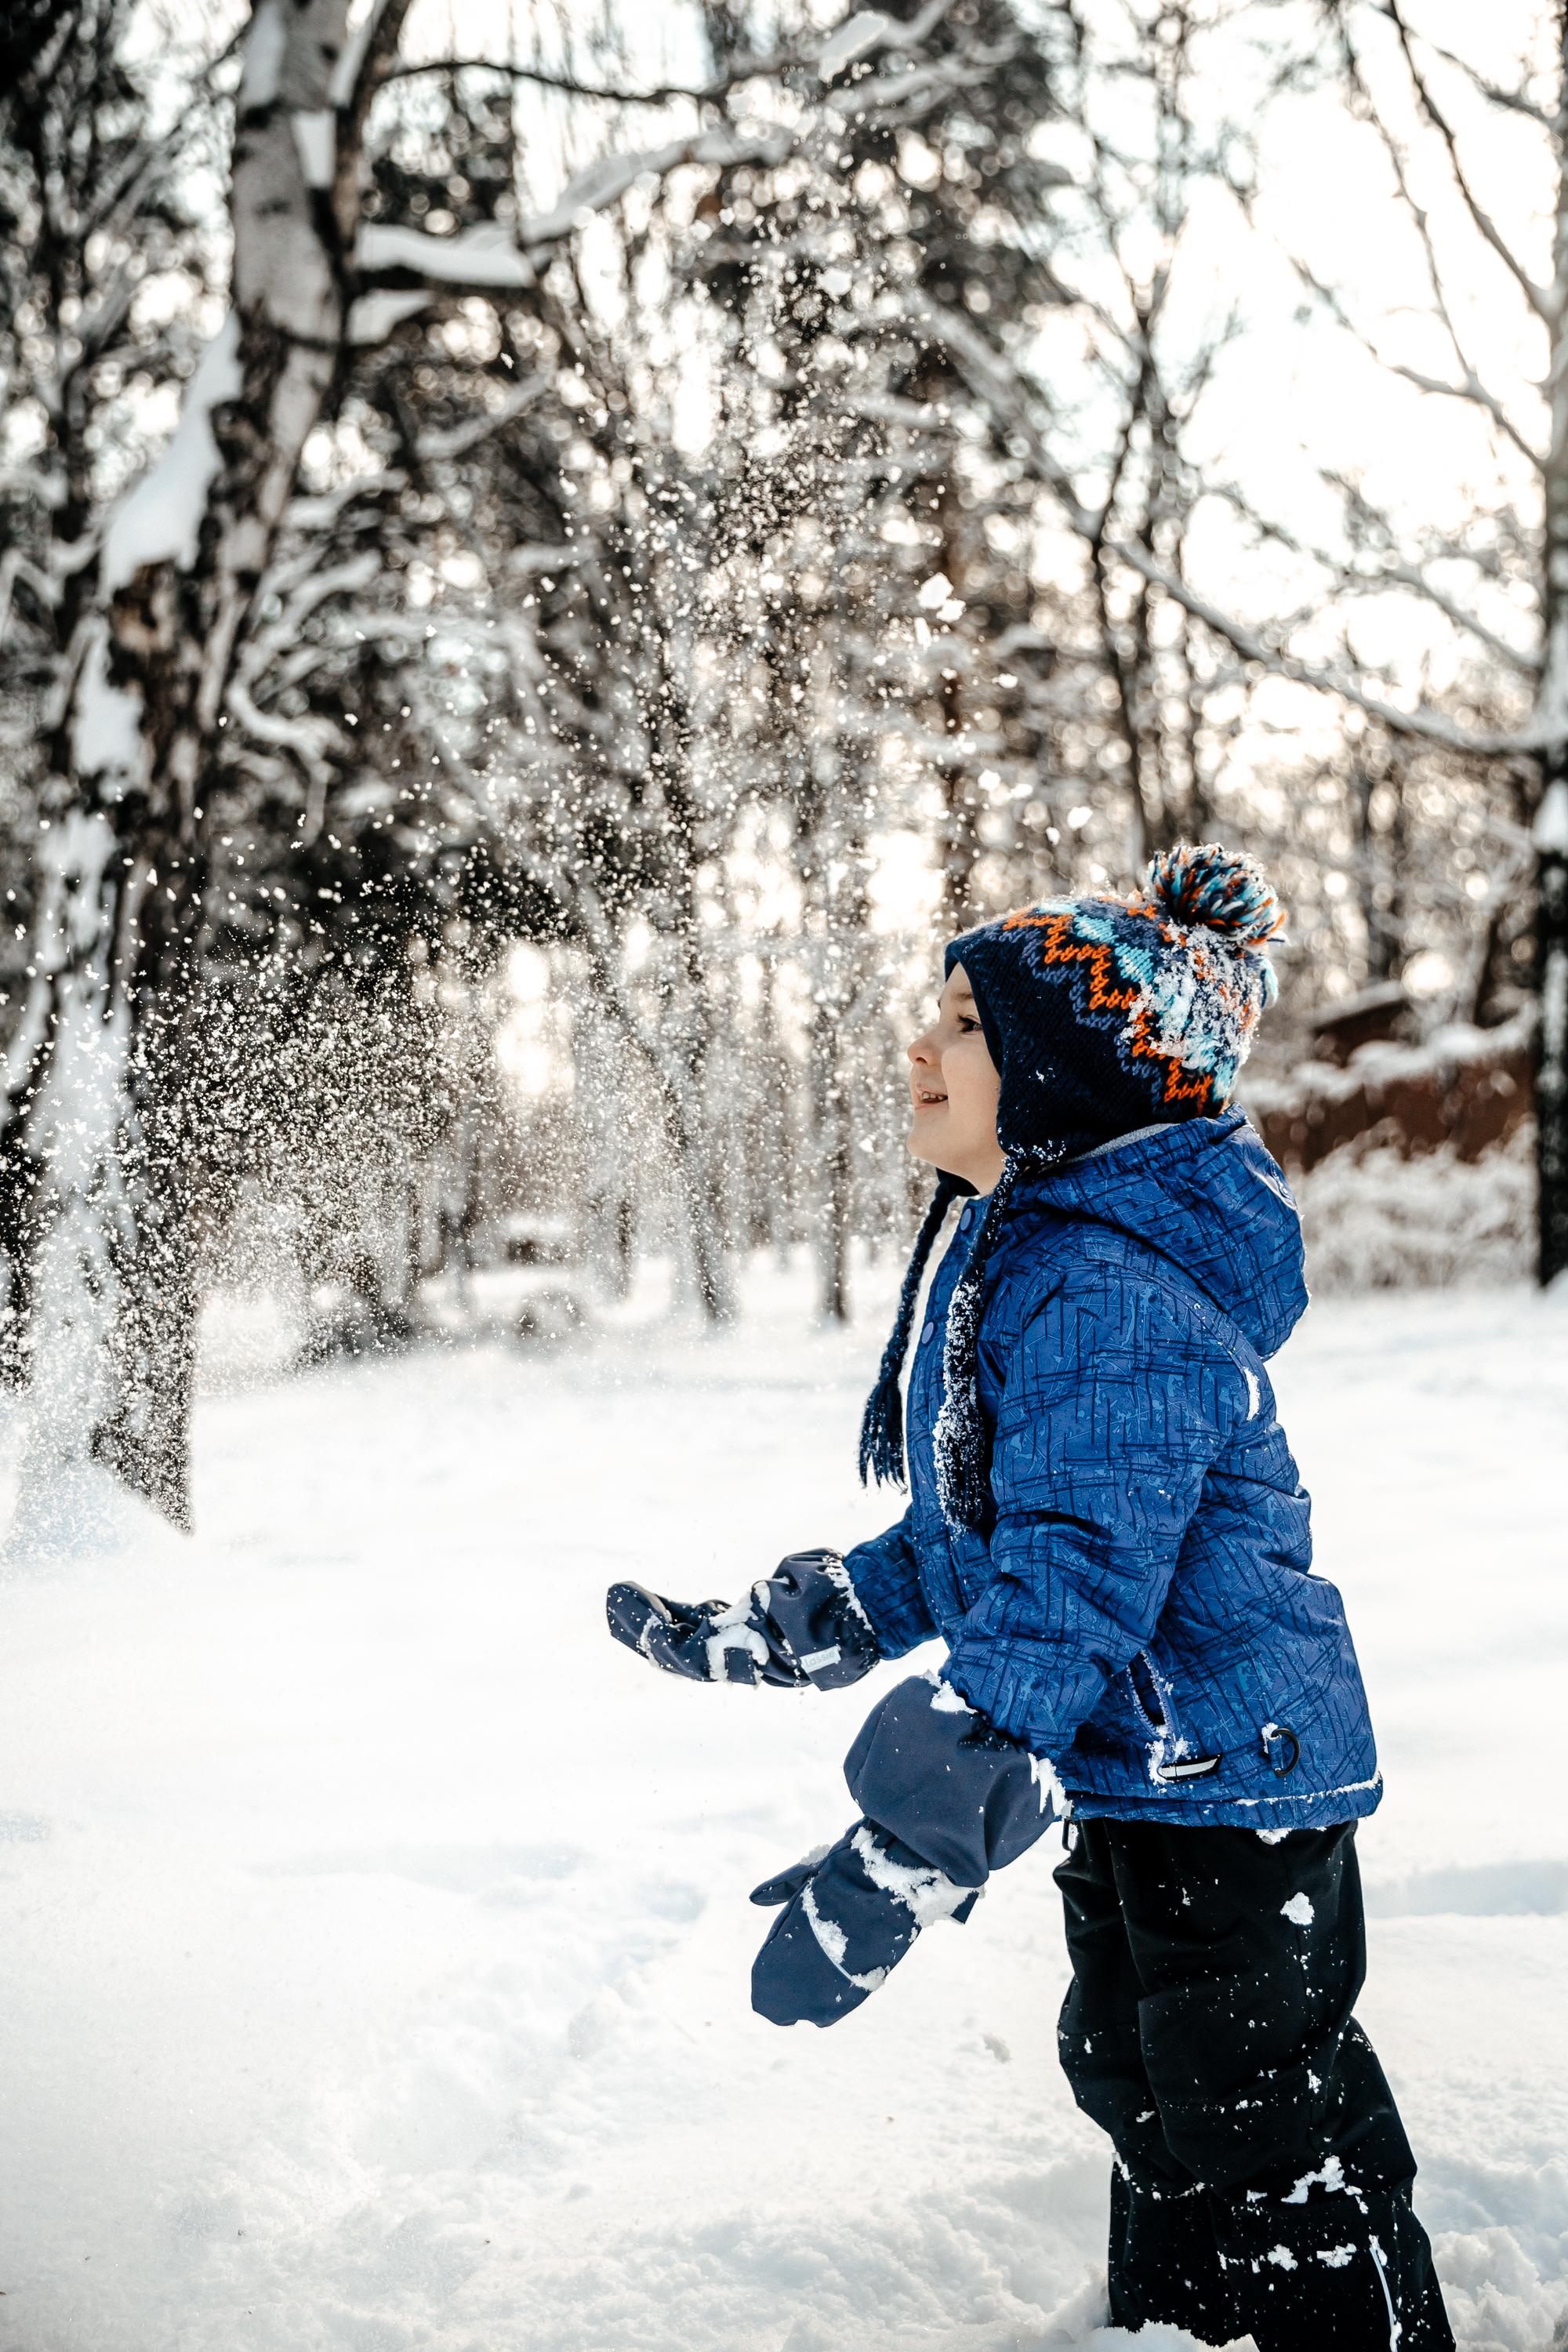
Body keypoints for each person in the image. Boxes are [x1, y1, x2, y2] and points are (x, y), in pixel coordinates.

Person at [607, 844, 1452, 2351]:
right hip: (1140, 1766)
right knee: (1137, 2071)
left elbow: (1073, 1586)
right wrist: (801, 1623)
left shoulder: (1108, 1291)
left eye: (964, 1024)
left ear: (1063, 1078)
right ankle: (1179, 2332)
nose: (918, 1049)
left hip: (1233, 1771)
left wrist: (913, 1842)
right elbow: (987, 1542)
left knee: (1255, 2107)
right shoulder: (1034, 1260)